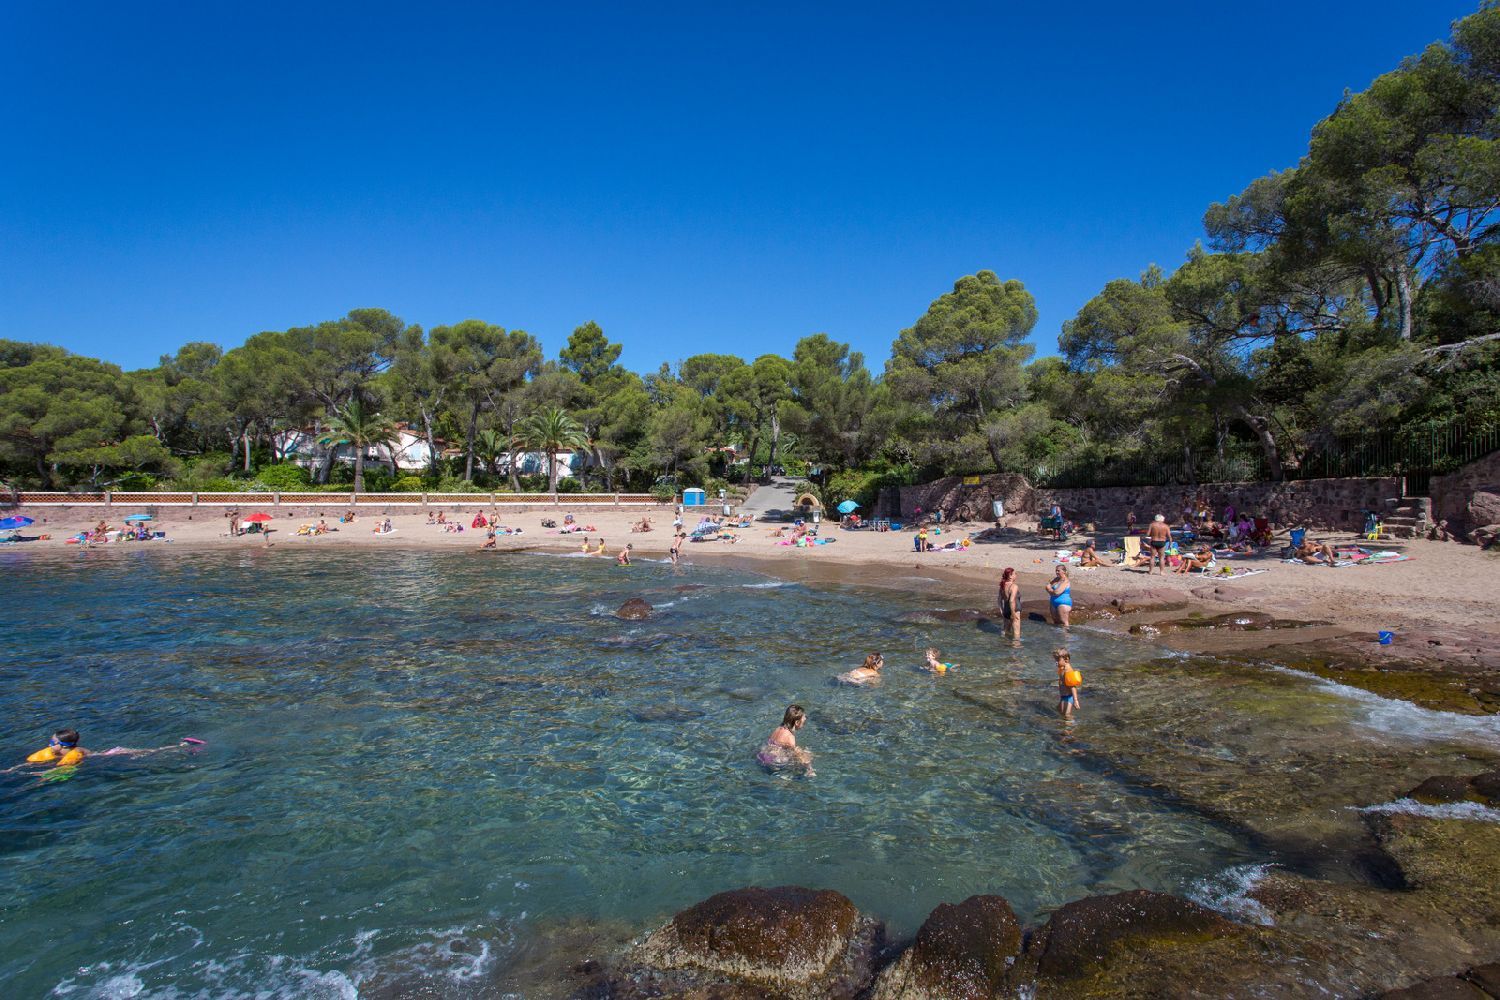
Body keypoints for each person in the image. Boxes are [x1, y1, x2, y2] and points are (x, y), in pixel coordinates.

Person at [758, 704, 813, 774]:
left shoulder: (779, 728)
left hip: (762, 756)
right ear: (797, 722)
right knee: (806, 754)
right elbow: (797, 756)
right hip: (772, 763)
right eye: (803, 721)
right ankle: (808, 772)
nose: (805, 720)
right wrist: (809, 768)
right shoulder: (790, 737)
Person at [1055, 649, 1082, 720]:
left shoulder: (1068, 670)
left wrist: (1075, 700)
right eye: (1055, 660)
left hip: (1069, 697)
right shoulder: (1062, 668)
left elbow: (1072, 686)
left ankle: (1071, 727)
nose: (1056, 663)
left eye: (1058, 660)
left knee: (1067, 715)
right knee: (1059, 711)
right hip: (1064, 696)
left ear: (1066, 660)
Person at [998, 567, 1021, 636]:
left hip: (1006, 610)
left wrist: (1001, 610)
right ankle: (1016, 646)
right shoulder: (1014, 586)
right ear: (1010, 576)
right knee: (1016, 634)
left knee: (1006, 631)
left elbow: (999, 600)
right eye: (1015, 574)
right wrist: (1013, 613)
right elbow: (1011, 601)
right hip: (1014, 610)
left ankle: (1004, 644)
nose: (1016, 575)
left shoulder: (1002, 586)